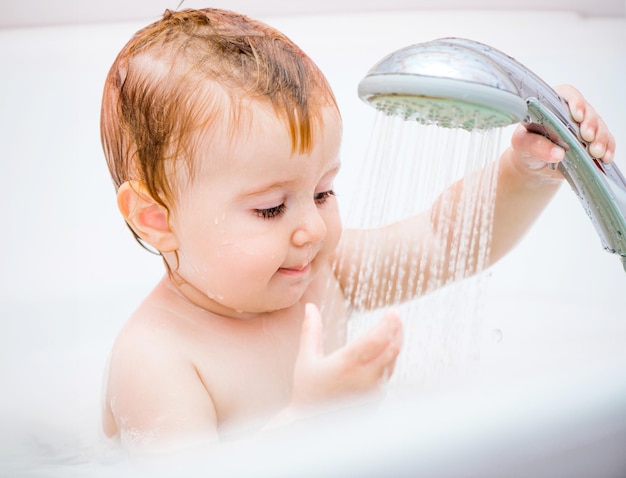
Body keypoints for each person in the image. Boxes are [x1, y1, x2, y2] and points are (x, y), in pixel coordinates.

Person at [100, 8, 615, 453]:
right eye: (272, 209)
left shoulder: (323, 274)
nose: (312, 228)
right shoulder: (157, 359)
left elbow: (448, 242)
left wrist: (526, 170)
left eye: (323, 193)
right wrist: (305, 421)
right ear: (156, 218)